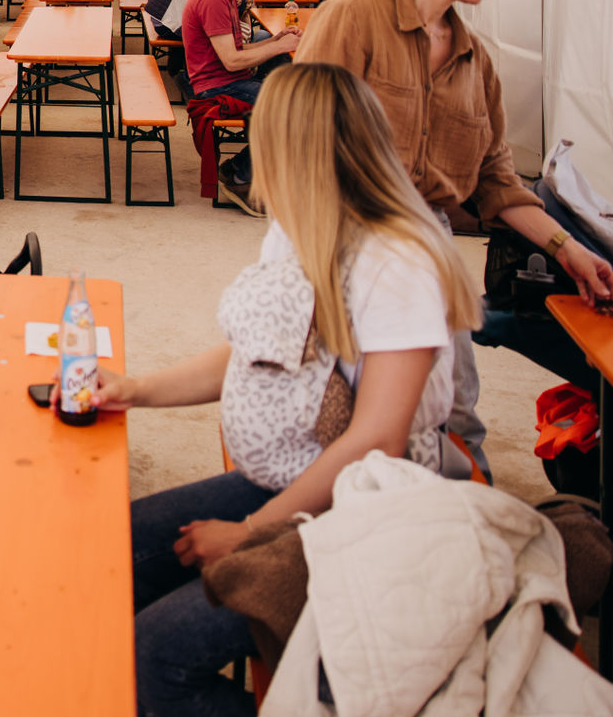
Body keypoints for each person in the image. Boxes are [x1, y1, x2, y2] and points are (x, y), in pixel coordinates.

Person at [106, 63, 481, 717]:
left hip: (370, 511)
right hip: (297, 478)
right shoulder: (300, 226)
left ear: (295, 147)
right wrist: (135, 390)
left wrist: (250, 533)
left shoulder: (398, 261)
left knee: (153, 659)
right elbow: (253, 351)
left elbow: (379, 438)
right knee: (111, 553)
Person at [298, 0, 613, 482]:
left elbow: (497, 182)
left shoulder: (476, 61)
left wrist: (570, 249)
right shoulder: (353, 17)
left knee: (454, 408)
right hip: (342, 237)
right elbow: (302, 142)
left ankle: (459, 517)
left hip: (429, 246)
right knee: (337, 412)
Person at [180, 0, 300, 214]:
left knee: (291, 95)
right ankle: (240, 177)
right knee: (294, 109)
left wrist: (277, 40)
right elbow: (232, 61)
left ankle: (238, 168)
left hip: (224, 79)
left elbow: (236, 50)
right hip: (216, 86)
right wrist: (278, 47)